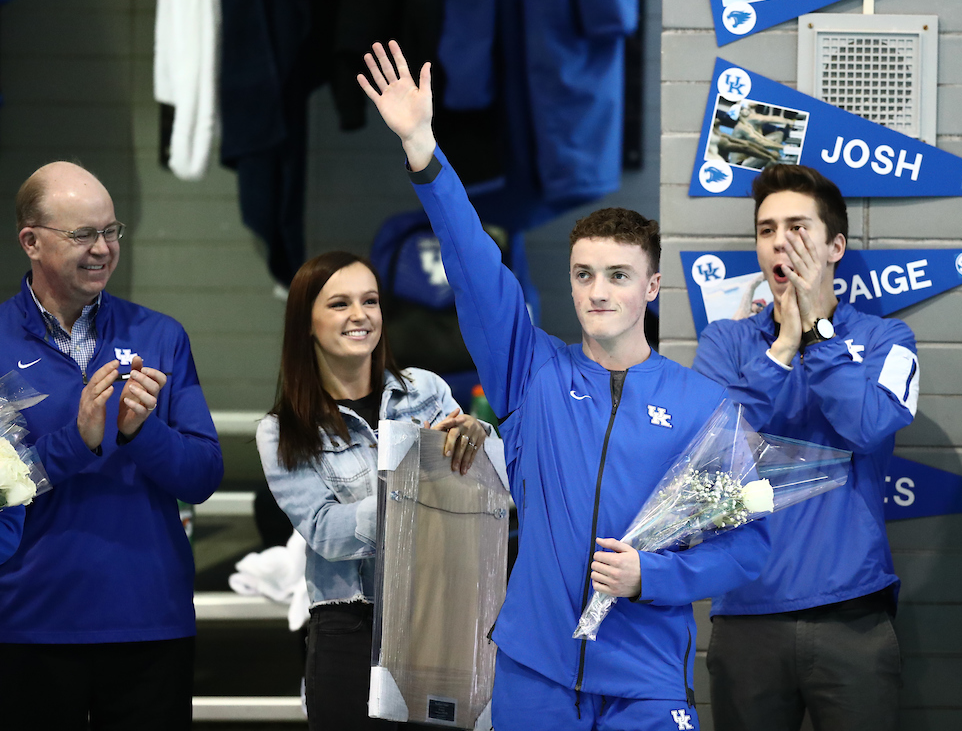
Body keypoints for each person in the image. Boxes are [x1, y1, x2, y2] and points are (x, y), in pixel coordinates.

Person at [358, 40, 770, 731]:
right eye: (583, 274)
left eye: (617, 275)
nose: (598, 290)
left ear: (652, 286)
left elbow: (750, 547)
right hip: (534, 673)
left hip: (645, 681)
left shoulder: (703, 406)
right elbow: (475, 267)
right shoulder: (532, 374)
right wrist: (425, 152)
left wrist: (656, 578)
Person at [693, 164, 918, 731]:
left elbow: (868, 426)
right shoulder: (726, 341)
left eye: (797, 227)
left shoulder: (887, 340)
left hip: (852, 616)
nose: (780, 243)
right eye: (767, 230)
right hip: (746, 614)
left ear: (835, 245)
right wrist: (783, 346)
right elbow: (715, 452)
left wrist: (817, 336)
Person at [0, 161, 224, 729]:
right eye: (82, 235)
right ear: (31, 240)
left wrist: (138, 431)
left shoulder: (160, 336)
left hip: (151, 618)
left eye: (111, 231)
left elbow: (202, 476)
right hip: (29, 623)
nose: (102, 248)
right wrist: (78, 442)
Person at [256, 250, 489, 731]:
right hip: (351, 625)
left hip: (440, 612)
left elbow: (476, 497)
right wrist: (407, 487)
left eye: (370, 301)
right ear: (307, 323)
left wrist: (479, 440)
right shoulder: (283, 430)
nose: (360, 316)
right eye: (339, 304)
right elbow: (326, 532)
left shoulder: (426, 389)